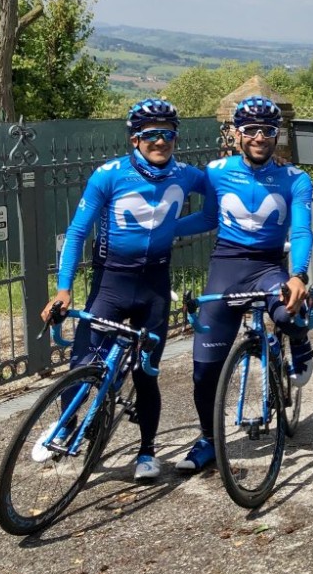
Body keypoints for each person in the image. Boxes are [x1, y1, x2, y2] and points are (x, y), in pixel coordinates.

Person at [41, 99, 206, 480]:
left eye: (167, 133)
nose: (160, 141)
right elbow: (78, 232)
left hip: (154, 287)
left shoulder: (186, 175)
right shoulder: (108, 174)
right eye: (150, 134)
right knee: (83, 364)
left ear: (175, 137)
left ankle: (147, 451)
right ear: (135, 139)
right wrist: (63, 289)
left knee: (147, 374)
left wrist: (169, 230)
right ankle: (67, 426)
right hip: (111, 283)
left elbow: (214, 211)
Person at [178, 96, 313, 472]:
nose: (259, 137)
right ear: (236, 134)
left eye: (267, 131)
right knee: (205, 370)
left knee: (287, 312)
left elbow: (301, 229)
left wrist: (298, 274)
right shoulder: (217, 171)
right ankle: (207, 438)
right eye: (251, 130)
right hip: (226, 267)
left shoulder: (295, 178)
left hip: (269, 266)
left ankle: (300, 343)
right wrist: (162, 231)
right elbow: (207, 218)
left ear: (276, 135)